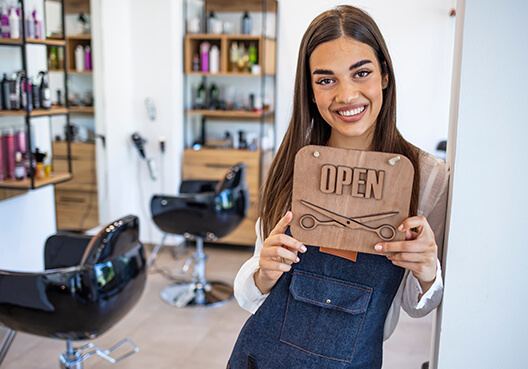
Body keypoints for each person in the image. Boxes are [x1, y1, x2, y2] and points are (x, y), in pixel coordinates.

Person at [227, 5, 449, 369]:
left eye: (361, 73)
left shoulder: (427, 177)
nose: (347, 95)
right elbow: (251, 292)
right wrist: (264, 272)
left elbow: (417, 304)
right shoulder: (292, 165)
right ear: (310, 91)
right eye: (326, 80)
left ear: (385, 77)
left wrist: (427, 270)